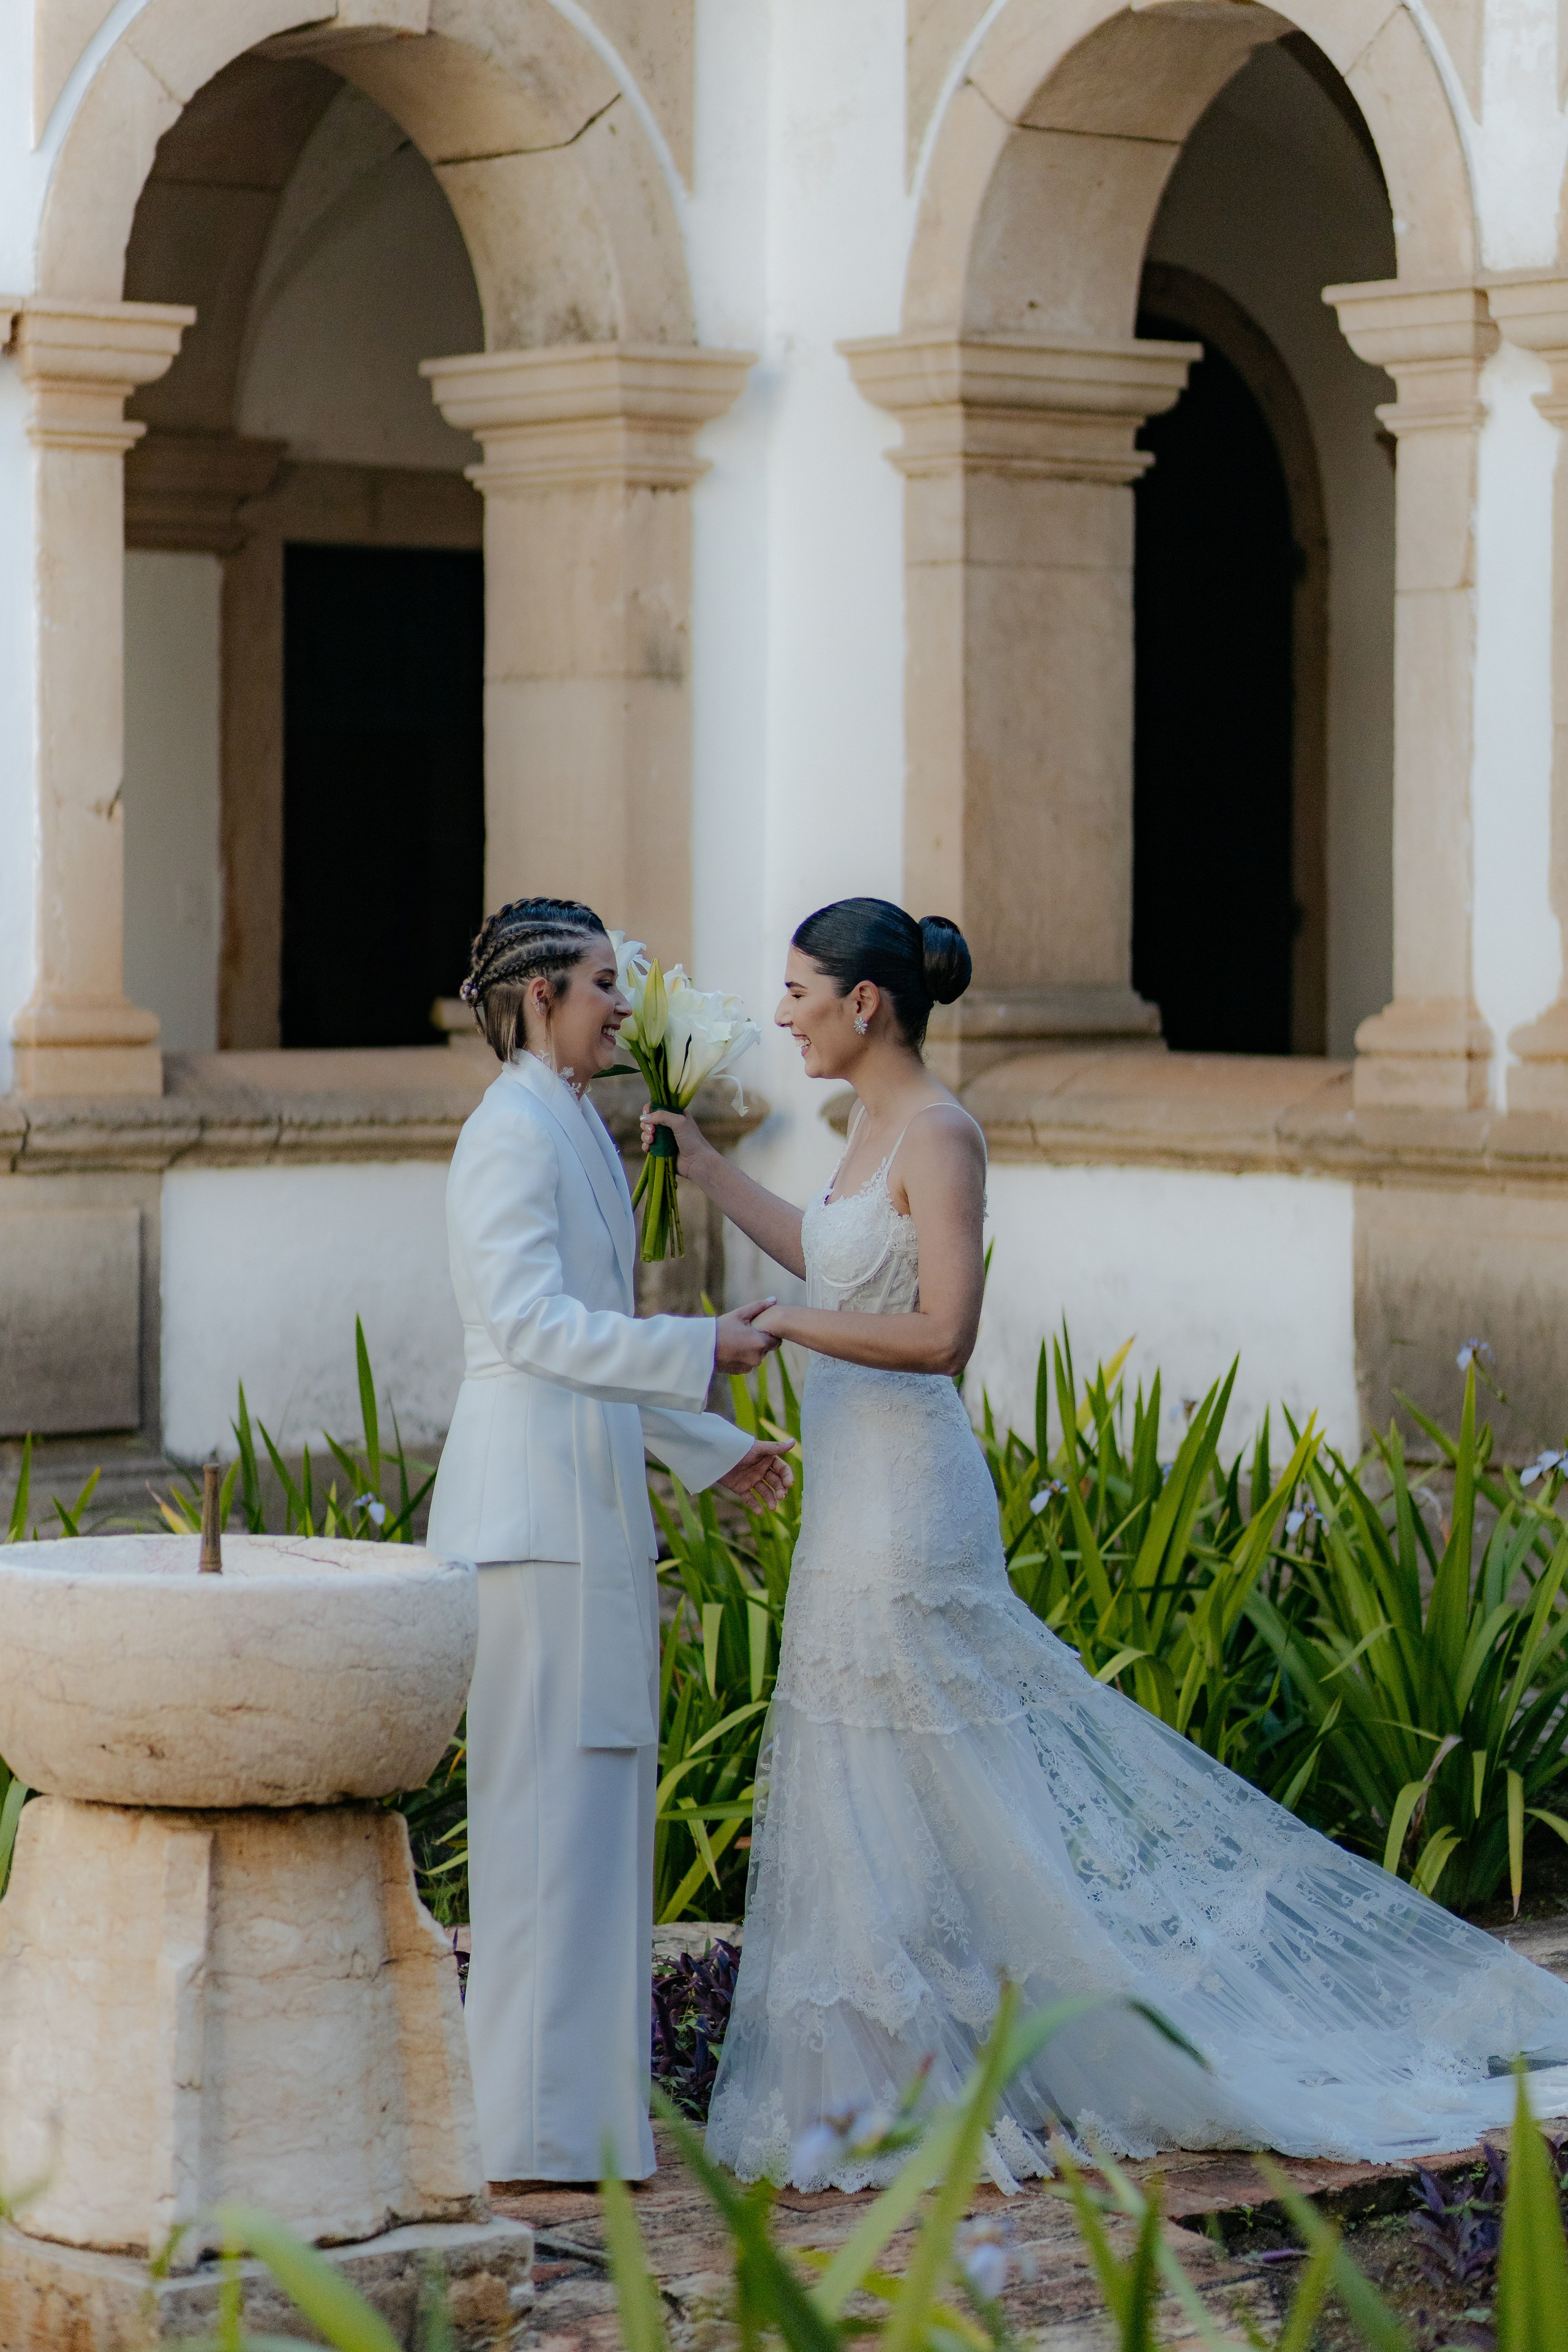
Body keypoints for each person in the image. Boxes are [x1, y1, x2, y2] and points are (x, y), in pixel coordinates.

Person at [642, 894, 1568, 2190]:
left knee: (938, 1778)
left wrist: (787, 1327)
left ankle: (1000, 2057)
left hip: (907, 1504)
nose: (782, 1014)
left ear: (864, 1002)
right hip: (849, 1498)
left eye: (798, 992)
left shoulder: (943, 1134)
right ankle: (879, 2079)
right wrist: (705, 1172)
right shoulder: (862, 1131)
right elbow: (831, 1257)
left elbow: (942, 1334)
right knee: (860, 1779)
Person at [428, 897, 794, 2186]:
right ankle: (523, 2128)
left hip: (585, 1504)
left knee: (594, 1815)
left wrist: (708, 1446)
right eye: (598, 983)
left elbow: (591, 1333)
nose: (620, 1004)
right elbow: (531, 1328)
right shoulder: (506, 1133)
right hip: (529, 1521)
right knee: (541, 1823)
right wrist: (703, 1347)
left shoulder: (576, 1122)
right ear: (537, 998)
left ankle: (580, 2124)